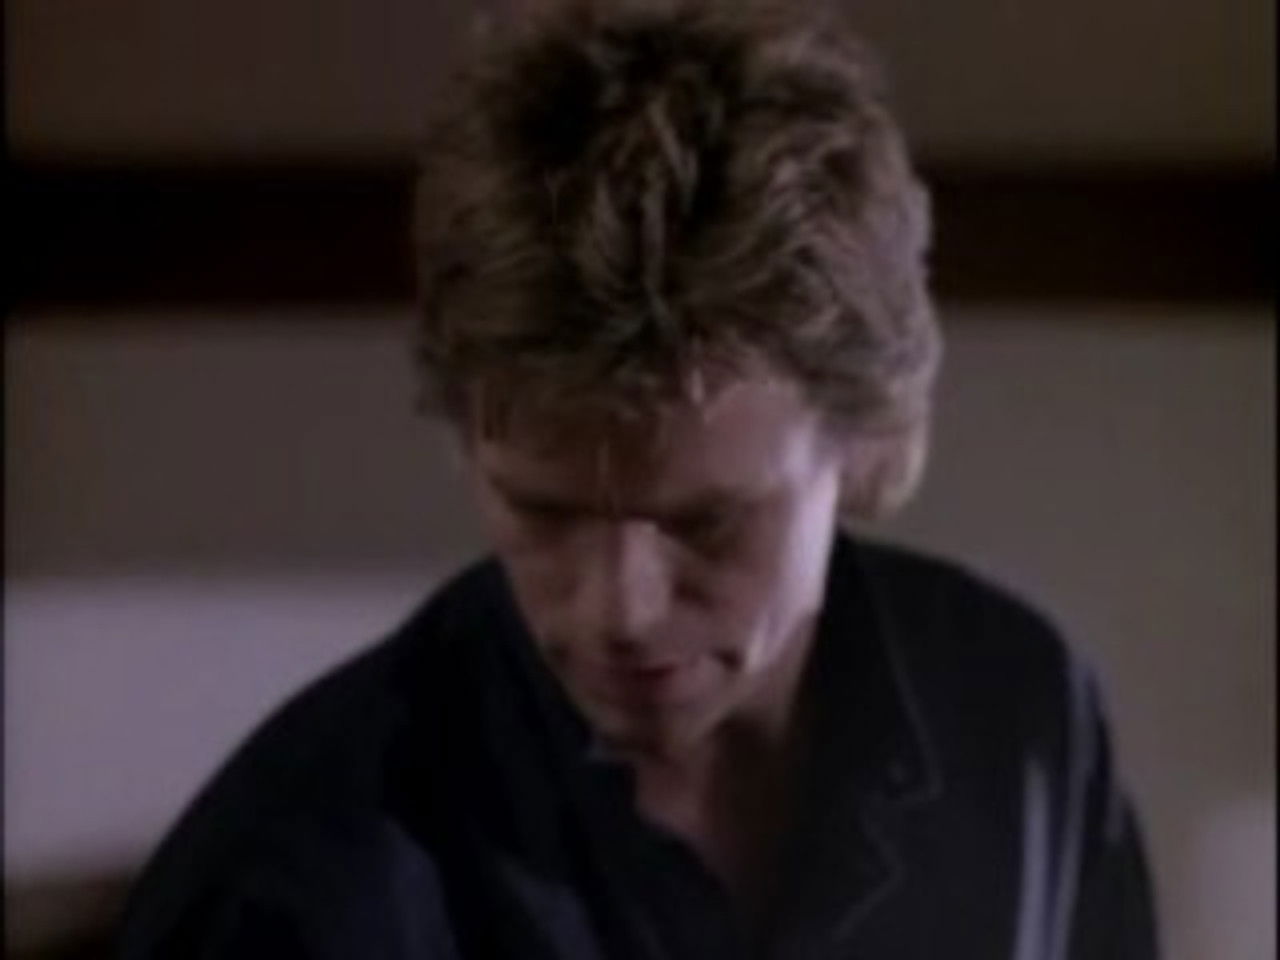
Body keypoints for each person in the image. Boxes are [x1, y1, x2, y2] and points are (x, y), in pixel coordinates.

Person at [117, 1, 1159, 957]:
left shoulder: (1017, 718)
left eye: (708, 521)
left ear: (862, 443)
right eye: (544, 511)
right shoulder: (288, 885)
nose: (619, 610)